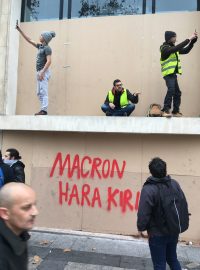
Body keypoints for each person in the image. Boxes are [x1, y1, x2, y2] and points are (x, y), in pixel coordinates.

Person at [137, 157, 188, 270]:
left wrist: (141, 228)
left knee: (159, 265)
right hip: (173, 230)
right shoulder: (174, 184)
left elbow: (143, 213)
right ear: (165, 169)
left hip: (157, 233)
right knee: (172, 259)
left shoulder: (149, 189)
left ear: (151, 171)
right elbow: (183, 203)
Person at [16, 21, 56, 115]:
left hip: (44, 72)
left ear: (45, 38)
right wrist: (19, 30)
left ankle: (44, 110)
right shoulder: (40, 46)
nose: (40, 36)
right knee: (39, 93)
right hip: (39, 72)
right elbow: (29, 40)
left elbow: (49, 61)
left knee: (44, 91)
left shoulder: (47, 48)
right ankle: (42, 110)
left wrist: (42, 72)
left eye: (41, 35)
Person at [0, 183, 38, 270]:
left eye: (34, 205)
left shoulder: (19, 233)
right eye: (26, 207)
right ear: (5, 213)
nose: (35, 212)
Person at [160, 30, 198, 117]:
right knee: (171, 90)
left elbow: (185, 50)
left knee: (177, 92)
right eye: (174, 37)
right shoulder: (164, 48)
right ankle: (166, 110)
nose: (176, 38)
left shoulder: (173, 48)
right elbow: (175, 49)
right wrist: (188, 39)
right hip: (168, 74)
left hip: (173, 75)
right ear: (169, 38)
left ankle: (175, 111)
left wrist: (192, 42)